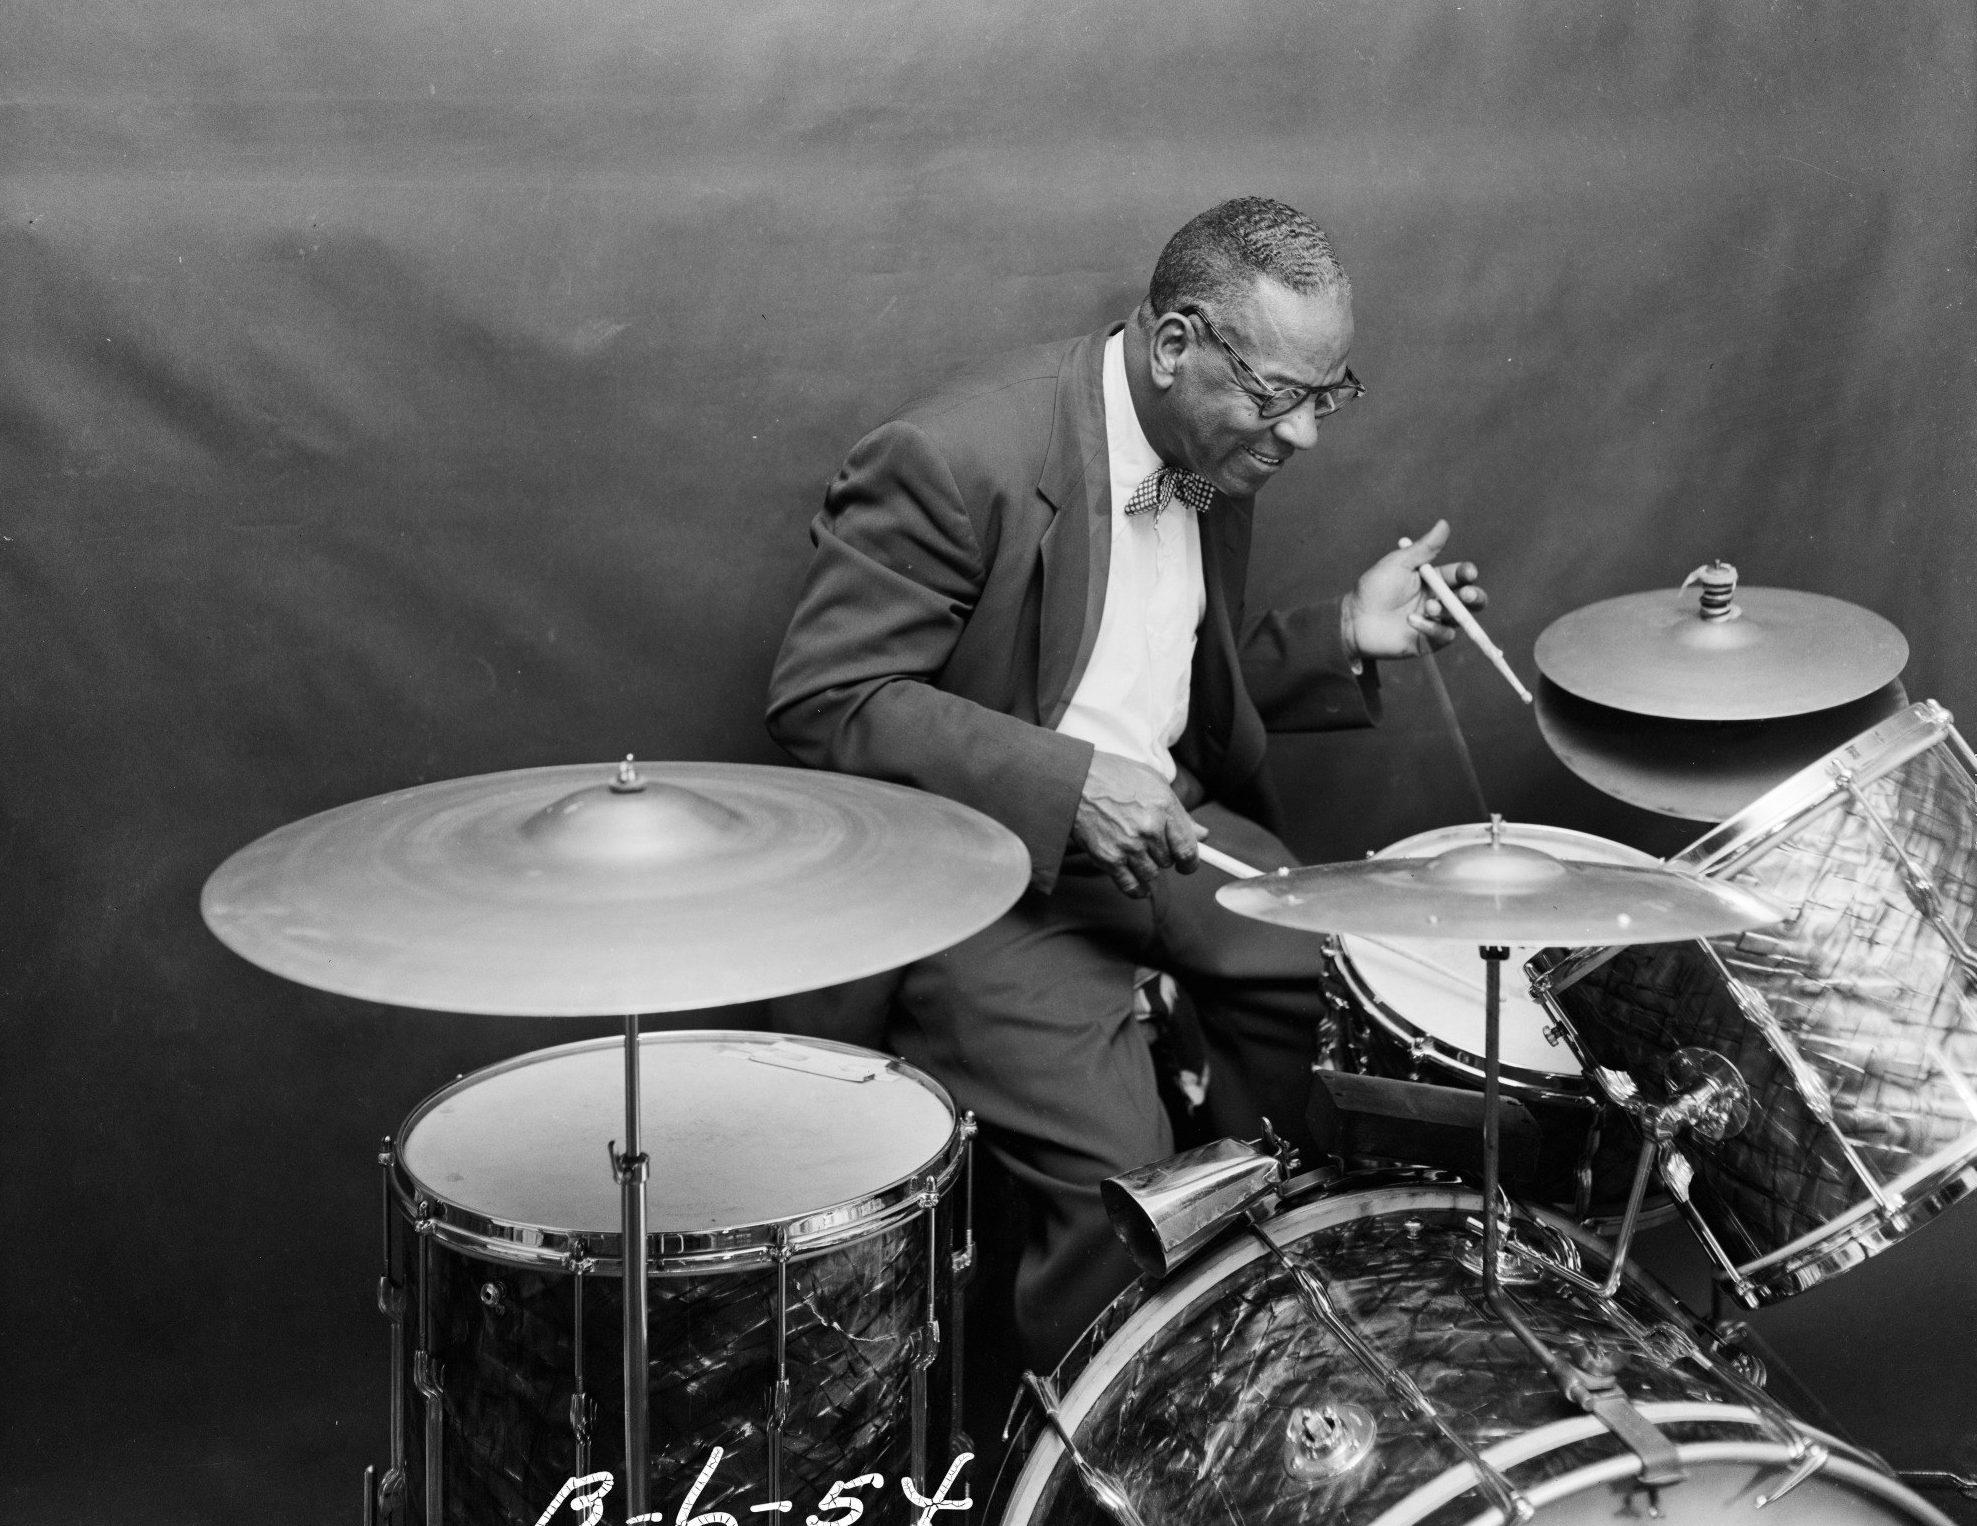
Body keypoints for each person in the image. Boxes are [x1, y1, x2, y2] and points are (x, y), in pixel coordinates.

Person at [765, 196, 1486, 1370]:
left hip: (1168, 834)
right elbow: (824, 696)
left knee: (1383, 1013)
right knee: (1135, 1191)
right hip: (988, 885)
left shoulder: (1211, 453)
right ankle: (1105, 1436)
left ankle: (1296, 1343)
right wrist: (1070, 785)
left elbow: (1146, 676)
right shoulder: (953, 459)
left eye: (1329, 394)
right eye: (1281, 396)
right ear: (1174, 345)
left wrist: (1344, 635)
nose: (1305, 435)